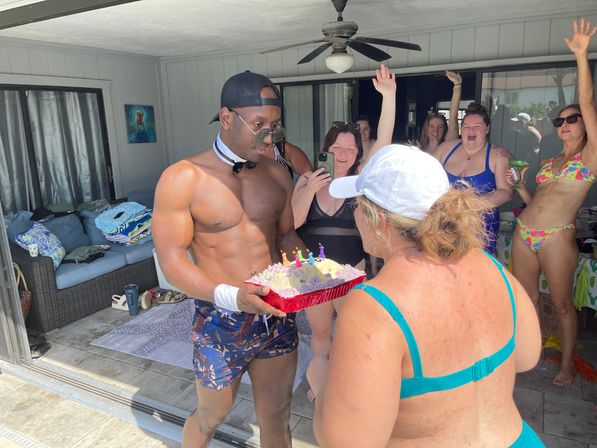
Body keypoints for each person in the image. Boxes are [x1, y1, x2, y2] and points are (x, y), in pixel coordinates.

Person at [307, 144, 543, 447]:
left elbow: (347, 442)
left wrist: (319, 373)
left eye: (357, 205)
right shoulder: (490, 265)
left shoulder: (374, 305)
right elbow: (526, 357)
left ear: (379, 219)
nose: (355, 215)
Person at [153, 71, 306, 448]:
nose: (269, 136)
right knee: (212, 416)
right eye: (258, 125)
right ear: (226, 118)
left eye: (274, 126)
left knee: (276, 415)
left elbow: (286, 236)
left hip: (275, 313)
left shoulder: (277, 174)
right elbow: (172, 261)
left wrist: (323, 276)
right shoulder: (183, 177)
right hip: (220, 319)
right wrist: (231, 296)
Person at [292, 63, 396, 400]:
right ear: (326, 148)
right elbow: (293, 223)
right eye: (337, 147)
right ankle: (322, 385)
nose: (343, 154)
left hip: (353, 272)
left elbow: (384, 142)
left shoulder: (361, 180)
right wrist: (309, 189)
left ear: (358, 153)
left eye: (350, 148)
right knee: (320, 334)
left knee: (352, 336)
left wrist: (389, 97)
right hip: (314, 275)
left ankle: (348, 385)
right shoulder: (308, 179)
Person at [507, 19, 597, 386]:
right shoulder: (549, 161)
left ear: (584, 124)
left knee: (561, 304)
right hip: (524, 231)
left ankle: (567, 364)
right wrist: (521, 189)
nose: (564, 124)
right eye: (560, 120)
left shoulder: (590, 156)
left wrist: (581, 55)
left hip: (558, 236)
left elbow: (588, 101)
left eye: (572, 119)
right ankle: (527, 352)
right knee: (525, 300)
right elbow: (539, 199)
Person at [434, 102, 514, 254]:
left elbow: (506, 192)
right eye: (466, 126)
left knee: (474, 272)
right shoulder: (446, 148)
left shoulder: (498, 155)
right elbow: (425, 177)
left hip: (480, 228)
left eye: (477, 126)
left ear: (487, 129)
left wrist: (467, 206)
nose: (471, 130)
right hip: (444, 224)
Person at [419, 70, 463, 157]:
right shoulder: (419, 150)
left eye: (440, 127)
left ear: (445, 129)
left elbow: (453, 115)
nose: (436, 130)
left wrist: (457, 85)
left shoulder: (448, 146)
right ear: (426, 129)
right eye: (432, 126)